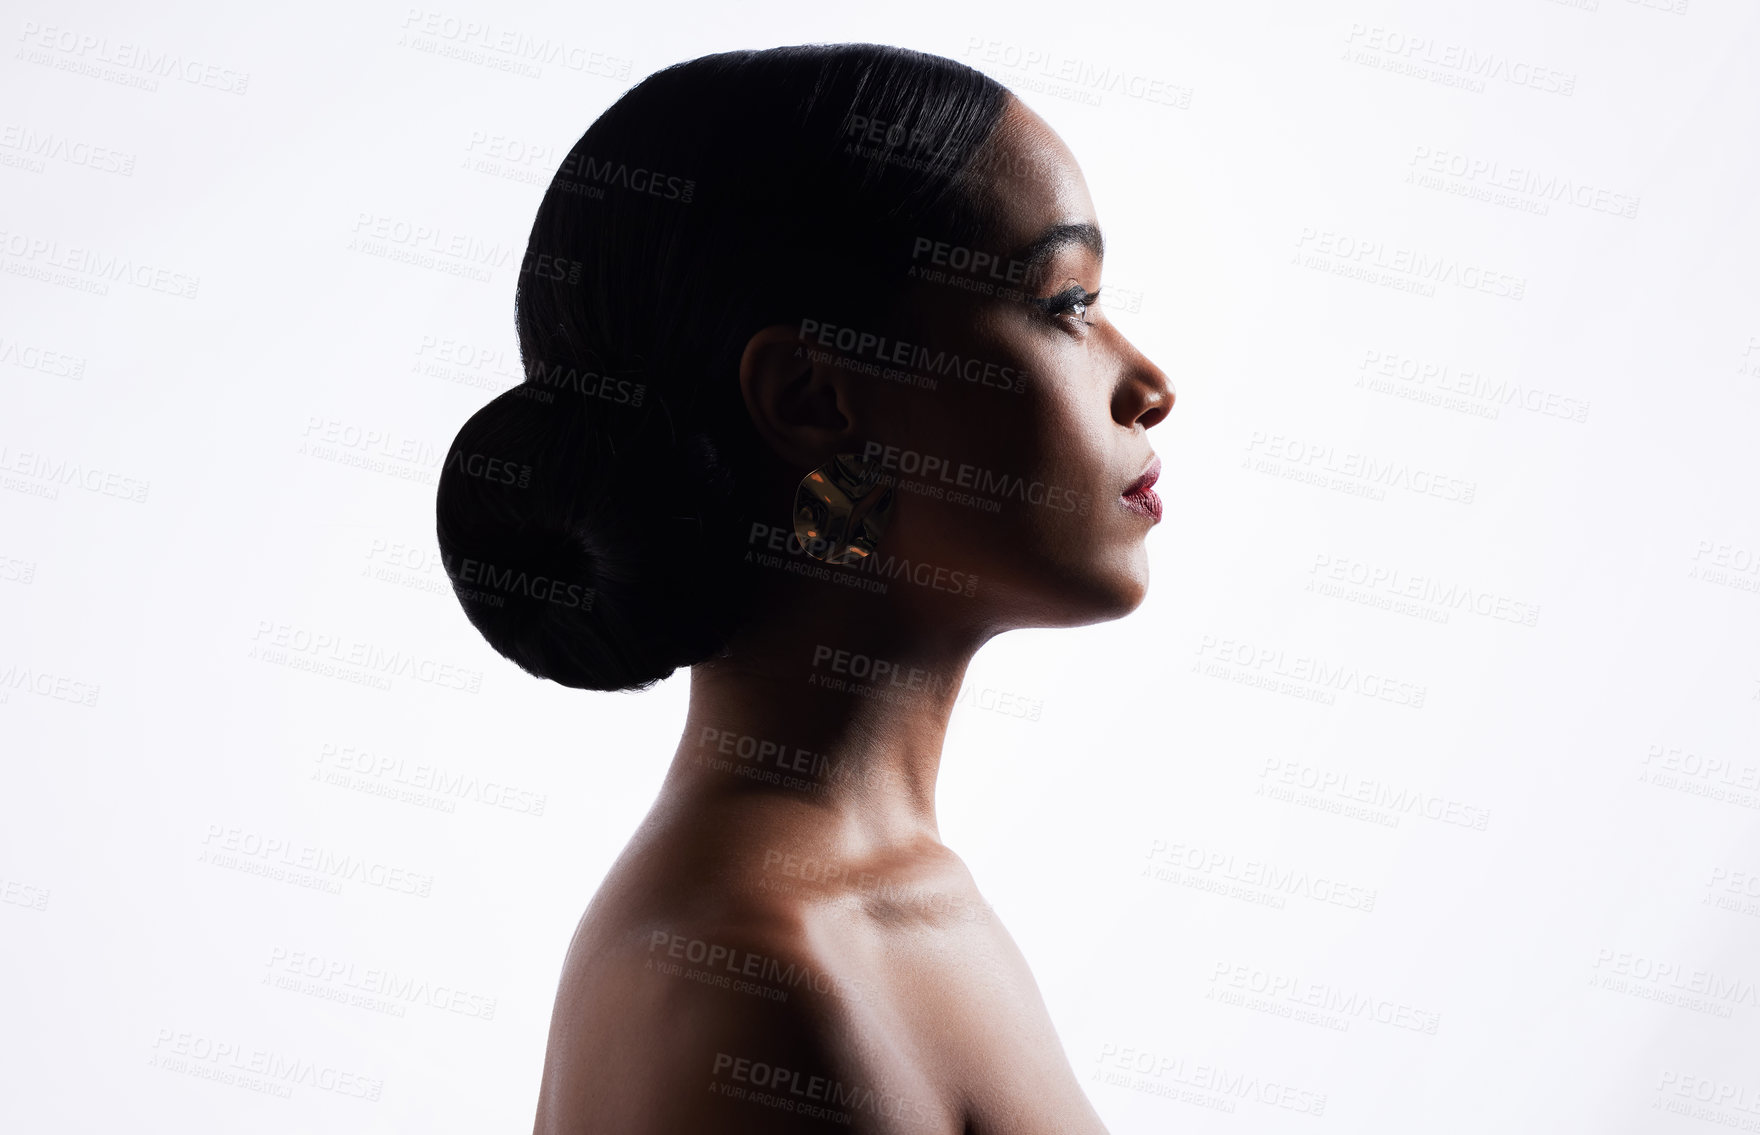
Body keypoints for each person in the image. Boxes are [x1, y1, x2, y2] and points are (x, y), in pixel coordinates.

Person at [436, 42, 1172, 1133]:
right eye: (1066, 302)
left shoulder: (892, 904)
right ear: (814, 397)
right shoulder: (752, 983)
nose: (1148, 384)